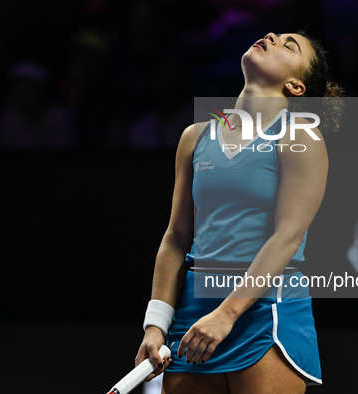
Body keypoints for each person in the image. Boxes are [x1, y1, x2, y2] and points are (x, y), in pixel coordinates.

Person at [135, 31, 343, 394]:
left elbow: (288, 236)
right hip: (193, 313)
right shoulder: (194, 137)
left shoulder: (300, 137)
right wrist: (155, 324)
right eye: (277, 35)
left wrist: (228, 314)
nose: (273, 36)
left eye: (289, 45)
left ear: (296, 86)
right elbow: (176, 238)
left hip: (265, 313)